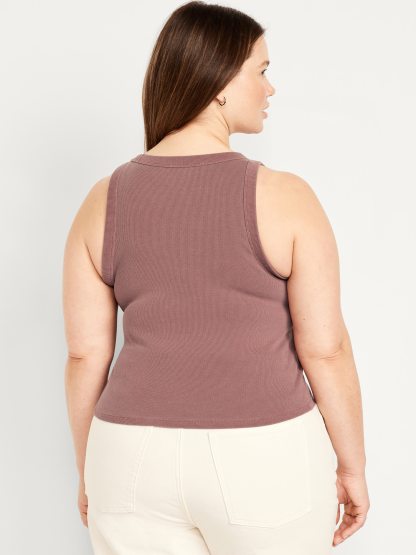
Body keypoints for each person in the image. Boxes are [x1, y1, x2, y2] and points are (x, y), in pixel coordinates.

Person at [62, 2, 370, 553]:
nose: (271, 88)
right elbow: (325, 349)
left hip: (128, 456)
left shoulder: (101, 201)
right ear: (221, 82)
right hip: (263, 454)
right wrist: (352, 464)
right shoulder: (285, 197)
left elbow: (86, 355)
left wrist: (92, 468)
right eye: (262, 71)